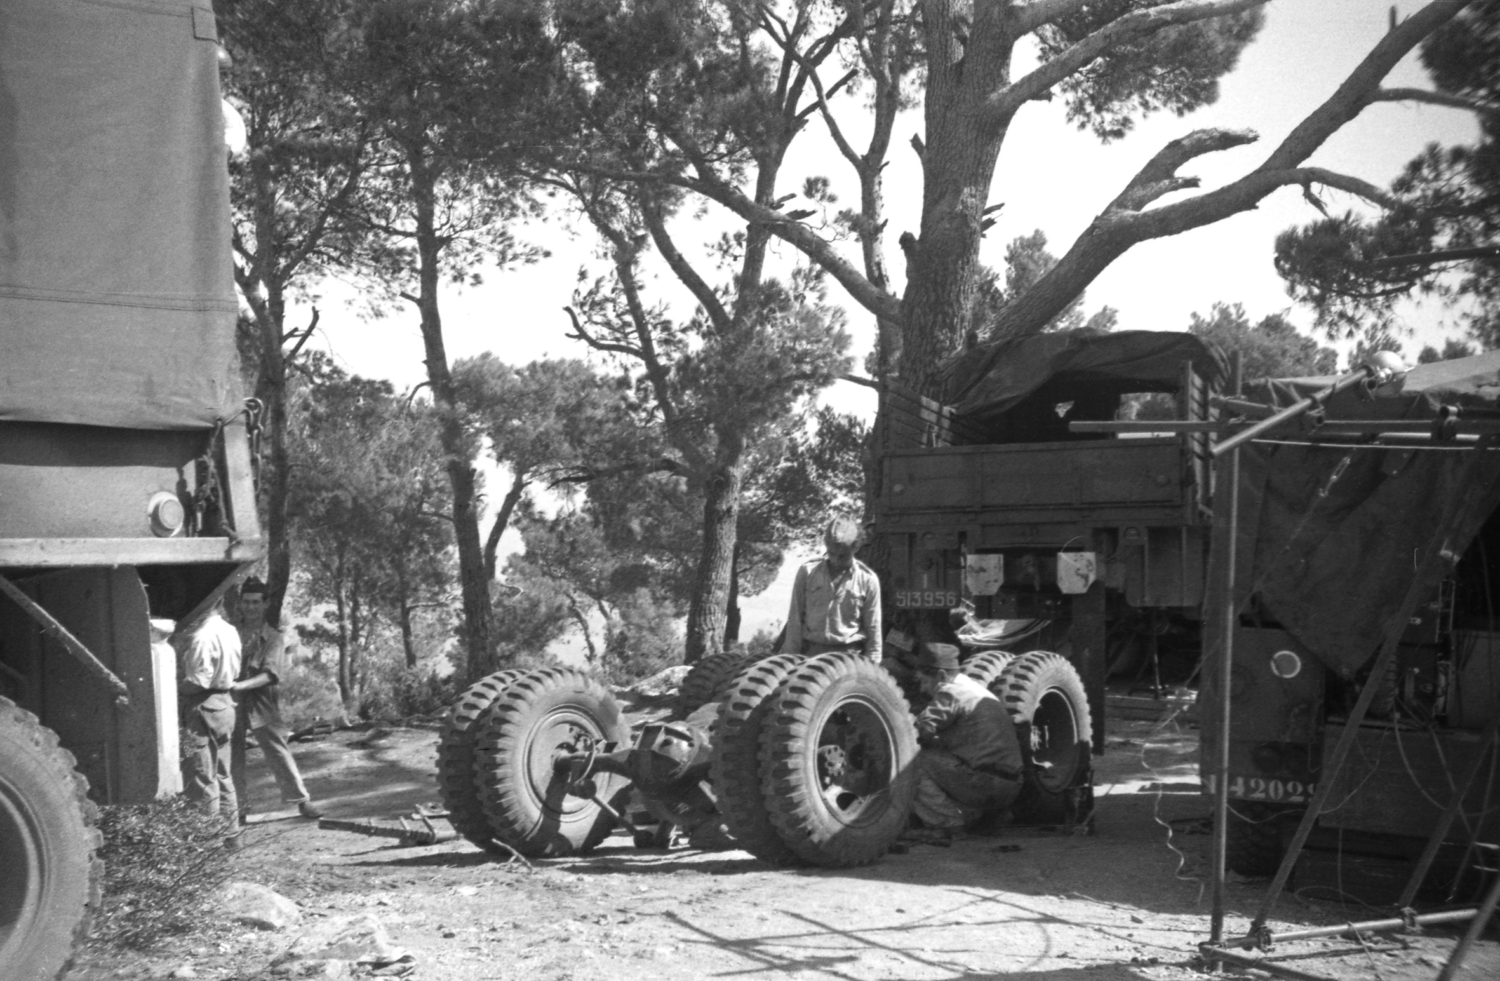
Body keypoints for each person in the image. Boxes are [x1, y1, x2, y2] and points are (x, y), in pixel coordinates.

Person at [230, 578, 323, 822]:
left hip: (261, 703)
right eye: (246, 602)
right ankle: (238, 810)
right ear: (240, 604)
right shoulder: (231, 633)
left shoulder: (273, 638)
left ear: (265, 605)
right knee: (232, 756)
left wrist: (240, 686)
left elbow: (271, 674)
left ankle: (302, 801)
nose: (250, 607)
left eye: (256, 602)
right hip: (232, 703)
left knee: (278, 751)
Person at [910, 642, 1023, 834]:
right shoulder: (974, 690)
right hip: (1009, 786)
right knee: (939, 754)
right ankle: (981, 815)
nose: (922, 689)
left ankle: (950, 822)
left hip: (985, 784)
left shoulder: (950, 692)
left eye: (924, 681)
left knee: (913, 761)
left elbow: (919, 733)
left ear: (941, 676)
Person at [782, 516, 882, 660]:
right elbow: (795, 621)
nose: (836, 560)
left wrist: (872, 667)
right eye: (831, 553)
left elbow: (873, 631)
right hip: (811, 655)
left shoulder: (868, 580)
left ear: (856, 547)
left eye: (842, 556)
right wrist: (789, 660)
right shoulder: (807, 572)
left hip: (849, 659)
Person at [179, 601, 240, 820]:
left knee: (203, 776)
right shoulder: (230, 630)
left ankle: (208, 834)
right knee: (223, 773)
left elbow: (199, 680)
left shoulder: (202, 636)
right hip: (225, 702)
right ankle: (231, 832)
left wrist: (176, 690)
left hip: (203, 705)